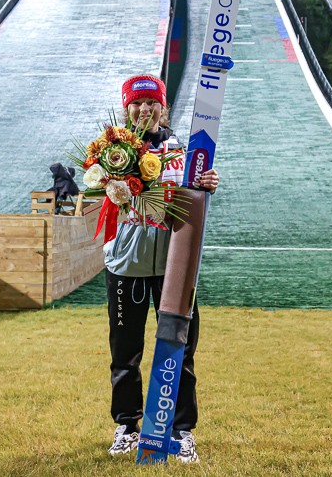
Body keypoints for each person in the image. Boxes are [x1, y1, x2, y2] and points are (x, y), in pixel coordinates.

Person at [104, 74, 219, 464]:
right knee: (125, 352)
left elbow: (196, 194)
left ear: (162, 107)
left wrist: (208, 182)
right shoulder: (111, 152)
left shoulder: (183, 152)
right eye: (136, 104)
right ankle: (127, 427)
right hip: (127, 265)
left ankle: (181, 432)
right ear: (126, 108)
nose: (144, 110)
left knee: (181, 348)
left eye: (151, 103)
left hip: (175, 268)